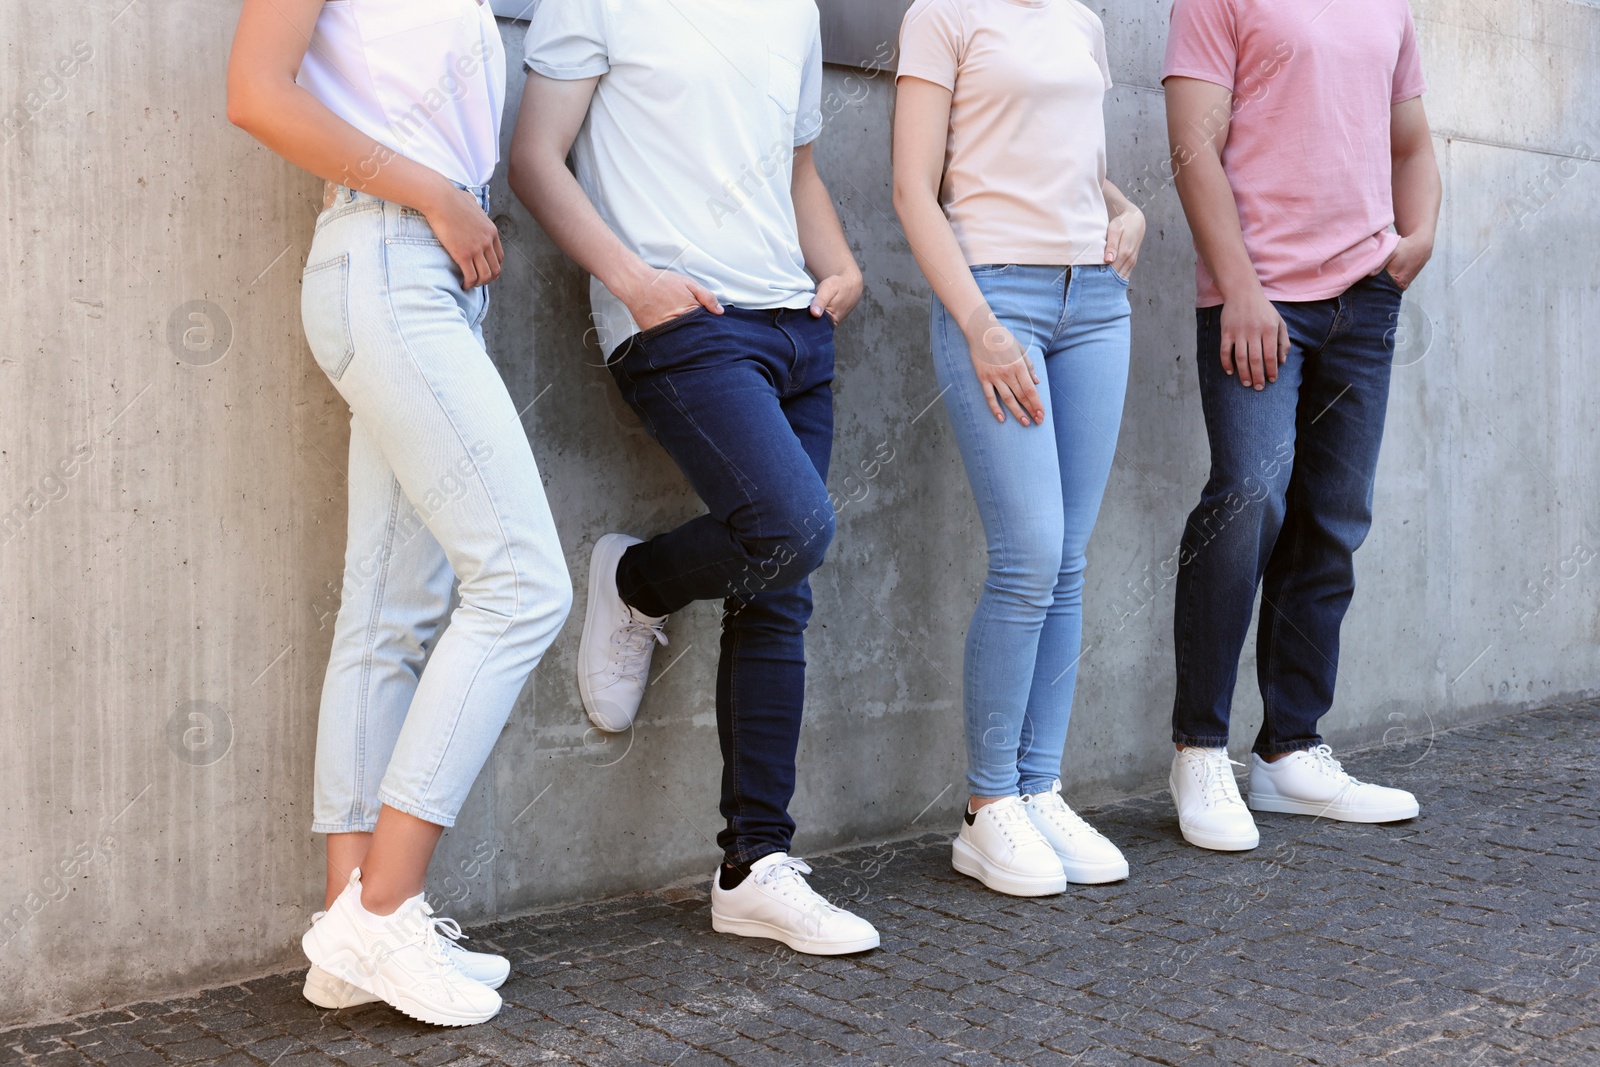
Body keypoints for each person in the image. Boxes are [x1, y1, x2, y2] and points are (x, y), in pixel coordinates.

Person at [227, 0, 572, 1025]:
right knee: (522, 583)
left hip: (422, 271)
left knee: (387, 612)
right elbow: (255, 93)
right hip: (386, 258)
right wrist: (435, 193)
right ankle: (386, 902)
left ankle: (349, 934)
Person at [508, 0, 878, 955]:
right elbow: (536, 157)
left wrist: (837, 264)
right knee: (792, 529)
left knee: (780, 589)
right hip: (683, 321)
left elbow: (796, 167)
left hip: (796, 321)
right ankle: (634, 582)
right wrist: (633, 282)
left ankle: (754, 864)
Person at [1162, 0, 1441, 850]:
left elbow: (1412, 140)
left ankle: (1289, 748)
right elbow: (1190, 145)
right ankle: (1198, 750)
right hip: (1261, 296)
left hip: (1366, 298)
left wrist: (1419, 232)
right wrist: (1238, 285)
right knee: (1248, 500)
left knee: (1333, 518)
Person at [892, 0, 1143, 897]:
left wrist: (1129, 209)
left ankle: (1040, 785)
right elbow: (914, 188)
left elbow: (1072, 165)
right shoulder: (942, 15)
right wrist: (977, 324)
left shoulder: (1081, 18)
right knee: (1029, 553)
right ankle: (987, 804)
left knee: (1068, 558)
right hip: (996, 302)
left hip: (1096, 305)